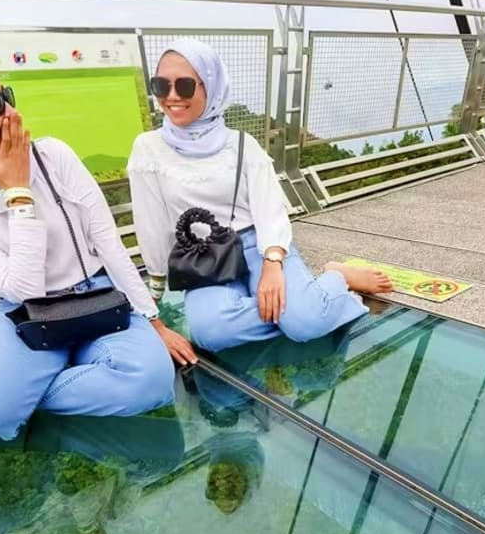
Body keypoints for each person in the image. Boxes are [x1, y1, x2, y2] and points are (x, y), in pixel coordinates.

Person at [0, 51, 196, 442]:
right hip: (27, 315)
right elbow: (24, 288)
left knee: (149, 383)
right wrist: (17, 193)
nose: (12, 113)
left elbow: (107, 242)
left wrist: (154, 321)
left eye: (8, 95)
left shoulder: (53, 157)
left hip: (96, 297)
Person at [128, 39, 393, 353]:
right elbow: (151, 224)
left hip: (259, 244)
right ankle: (299, 305)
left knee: (307, 323)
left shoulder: (240, 144)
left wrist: (272, 263)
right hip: (202, 257)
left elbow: (269, 209)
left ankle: (336, 278)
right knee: (211, 335)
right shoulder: (148, 149)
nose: (171, 96)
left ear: (210, 86)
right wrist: (155, 289)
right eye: (161, 85)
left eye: (184, 86)